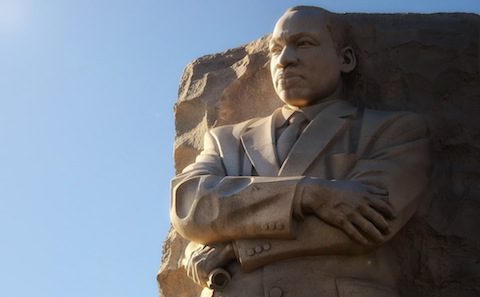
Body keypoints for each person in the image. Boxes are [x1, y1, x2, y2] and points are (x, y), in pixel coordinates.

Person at [170, 6, 430, 297]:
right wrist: (308, 194)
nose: (285, 60)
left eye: (303, 44)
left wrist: (233, 247)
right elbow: (190, 206)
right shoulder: (226, 140)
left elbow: (368, 222)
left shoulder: (391, 131)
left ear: (345, 59)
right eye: (275, 49)